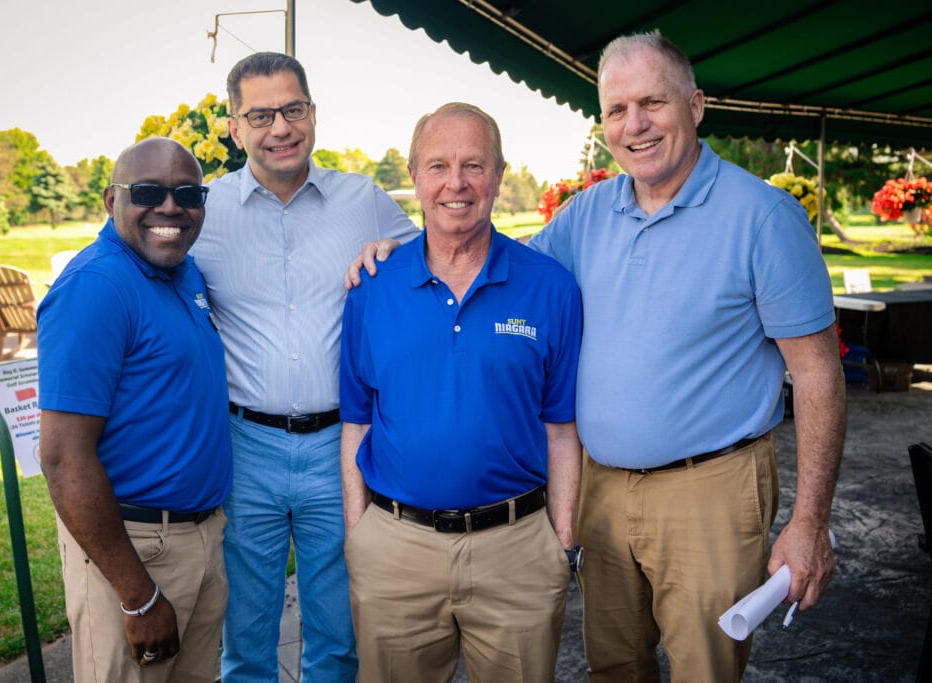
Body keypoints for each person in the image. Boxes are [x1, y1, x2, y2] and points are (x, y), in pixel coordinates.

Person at [347, 32, 845, 682]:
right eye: (616, 109)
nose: (634, 124)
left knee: (706, 666)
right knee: (614, 665)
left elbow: (817, 374)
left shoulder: (763, 217)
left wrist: (810, 523)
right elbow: (488, 254)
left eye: (652, 103)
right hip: (604, 488)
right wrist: (400, 247)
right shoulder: (590, 213)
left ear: (696, 105)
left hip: (710, 490)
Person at [189, 51, 418, 682]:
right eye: (260, 115)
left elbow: (437, 259)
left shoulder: (364, 201)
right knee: (246, 641)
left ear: (313, 114)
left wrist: (396, 247)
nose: (280, 127)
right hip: (245, 449)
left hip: (339, 447)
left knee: (337, 633)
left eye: (292, 109)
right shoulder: (204, 214)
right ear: (234, 127)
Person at [339, 102, 584, 682]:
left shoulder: (551, 287)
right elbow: (357, 423)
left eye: (474, 165)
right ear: (415, 174)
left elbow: (562, 430)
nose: (456, 183)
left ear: (498, 174)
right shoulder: (371, 287)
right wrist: (360, 540)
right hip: (396, 552)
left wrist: (562, 548)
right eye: (439, 165)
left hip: (517, 550)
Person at [38, 136, 232, 682]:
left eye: (188, 194)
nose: (170, 207)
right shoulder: (96, 287)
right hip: (135, 553)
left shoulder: (182, 271)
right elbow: (63, 459)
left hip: (199, 539)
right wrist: (138, 597)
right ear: (110, 200)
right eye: (147, 192)